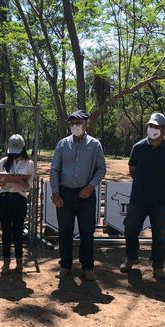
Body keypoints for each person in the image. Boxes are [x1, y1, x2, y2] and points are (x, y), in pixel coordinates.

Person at [119, 112, 165, 280]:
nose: (152, 129)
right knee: (130, 229)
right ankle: (130, 258)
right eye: (150, 126)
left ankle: (158, 266)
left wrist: (162, 184)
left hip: (161, 201)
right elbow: (133, 170)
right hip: (138, 199)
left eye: (156, 126)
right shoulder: (138, 147)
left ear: (163, 129)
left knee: (160, 234)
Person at [50, 110, 106, 281]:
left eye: (78, 123)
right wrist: (55, 192)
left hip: (86, 195)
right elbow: (54, 169)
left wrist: (90, 186)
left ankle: (87, 267)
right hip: (65, 194)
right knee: (64, 232)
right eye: (72, 123)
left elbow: (101, 169)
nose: (75, 126)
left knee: (87, 232)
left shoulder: (95, 144)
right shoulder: (62, 144)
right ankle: (66, 265)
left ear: (85, 124)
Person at [0, 134, 35, 273]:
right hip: (4, 198)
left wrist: (18, 179)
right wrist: (7, 179)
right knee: (6, 231)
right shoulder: (3, 161)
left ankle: (19, 261)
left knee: (18, 231)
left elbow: (27, 187)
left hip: (19, 199)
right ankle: (6, 261)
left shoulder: (29, 164)